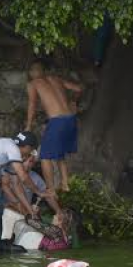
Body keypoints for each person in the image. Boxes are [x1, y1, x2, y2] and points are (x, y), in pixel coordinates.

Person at [0, 132, 65, 229]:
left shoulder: (10, 154)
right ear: (27, 147)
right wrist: (39, 192)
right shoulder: (12, 148)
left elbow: (16, 184)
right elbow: (23, 176)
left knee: (0, 200)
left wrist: (29, 211)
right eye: (30, 151)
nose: (29, 155)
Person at [25, 60, 83, 192]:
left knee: (45, 156)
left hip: (57, 121)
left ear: (32, 72)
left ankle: (50, 189)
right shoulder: (56, 79)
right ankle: (65, 183)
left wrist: (28, 125)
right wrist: (74, 101)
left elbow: (32, 104)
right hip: (70, 119)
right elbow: (79, 88)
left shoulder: (33, 84)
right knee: (59, 153)